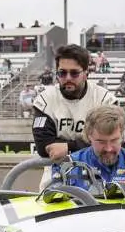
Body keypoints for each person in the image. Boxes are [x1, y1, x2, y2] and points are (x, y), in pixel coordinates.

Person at [32, 43, 115, 171]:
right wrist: (89, 143)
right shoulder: (44, 101)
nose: (68, 78)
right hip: (56, 178)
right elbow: (44, 147)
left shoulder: (104, 100)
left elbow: (110, 142)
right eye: (62, 73)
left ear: (86, 73)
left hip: (99, 175)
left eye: (74, 73)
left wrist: (67, 147)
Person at [48, 105, 125, 191]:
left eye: (114, 140)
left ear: (122, 135)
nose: (108, 148)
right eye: (101, 141)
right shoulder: (67, 166)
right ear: (89, 137)